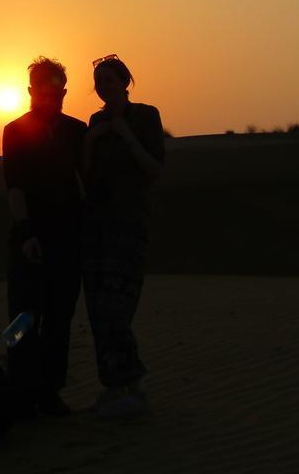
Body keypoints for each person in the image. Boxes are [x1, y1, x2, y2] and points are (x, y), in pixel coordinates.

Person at [2, 56, 87, 417]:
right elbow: (15, 187)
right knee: (22, 320)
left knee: (58, 319)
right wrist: (26, 233)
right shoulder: (15, 130)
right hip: (30, 238)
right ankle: (20, 392)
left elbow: (89, 182)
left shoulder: (76, 130)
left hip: (68, 238)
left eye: (59, 89)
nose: (53, 96)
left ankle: (50, 392)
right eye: (45, 88)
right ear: (31, 91)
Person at [82, 54, 164, 418]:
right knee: (97, 311)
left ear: (125, 82)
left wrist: (127, 136)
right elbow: (85, 173)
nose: (102, 86)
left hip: (129, 226)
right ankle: (114, 386)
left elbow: (153, 169)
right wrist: (92, 139)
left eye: (109, 80)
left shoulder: (146, 116)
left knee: (117, 310)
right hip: (96, 227)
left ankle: (135, 384)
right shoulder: (96, 121)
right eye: (98, 81)